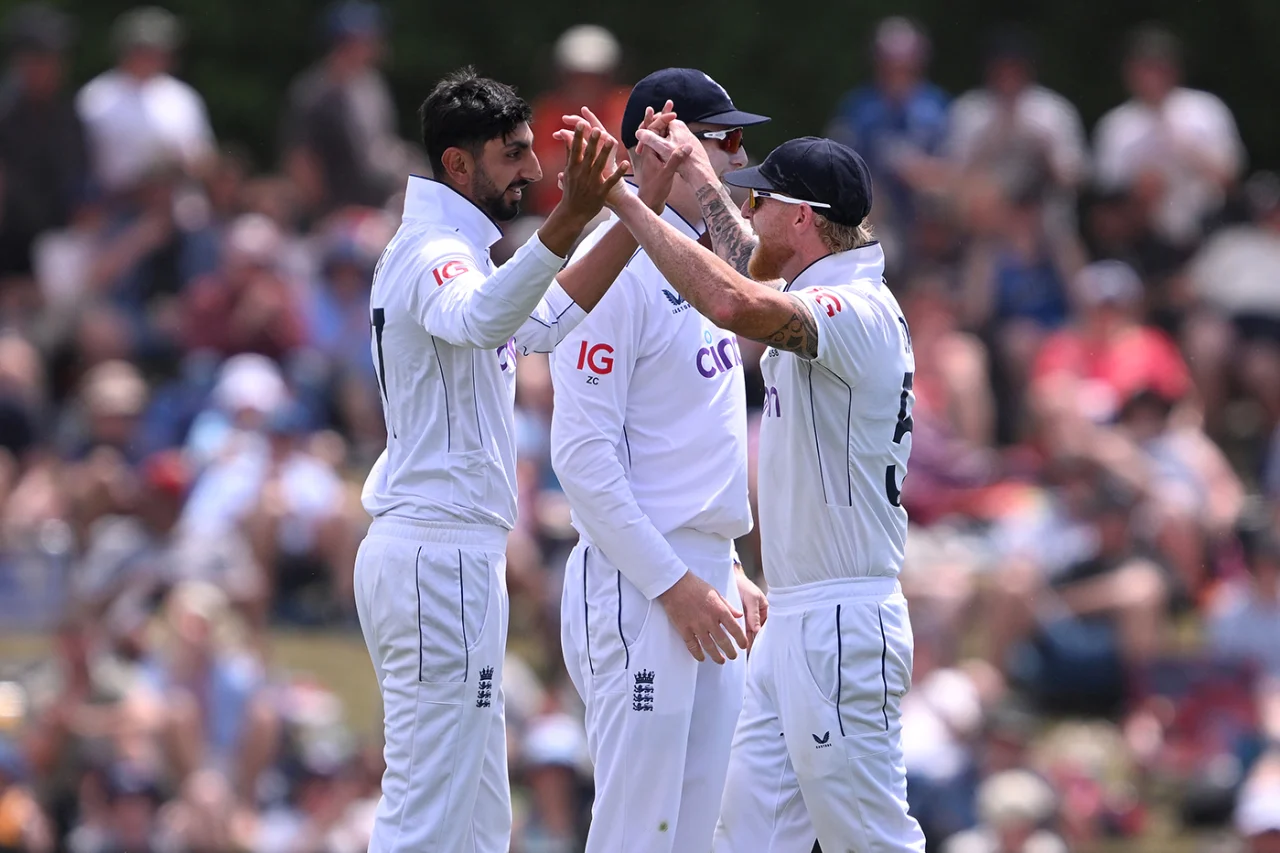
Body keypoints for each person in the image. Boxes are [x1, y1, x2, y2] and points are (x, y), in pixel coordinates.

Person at [353, 67, 683, 853]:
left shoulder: (459, 250)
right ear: (458, 166)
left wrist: (641, 207)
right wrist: (570, 216)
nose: (534, 172)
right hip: (438, 553)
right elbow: (479, 318)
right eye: (513, 156)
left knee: (476, 818)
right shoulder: (433, 251)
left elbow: (539, 319)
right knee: (429, 810)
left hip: (452, 554)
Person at [610, 128, 927, 851]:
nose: (748, 210)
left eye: (762, 200)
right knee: (746, 835)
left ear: (804, 217)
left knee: (871, 838)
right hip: (798, 618)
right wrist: (694, 168)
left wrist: (629, 209)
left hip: (843, 616)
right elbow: (744, 268)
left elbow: (732, 301)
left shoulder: (859, 311)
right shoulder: (819, 288)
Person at [548, 67, 770, 853]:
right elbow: (581, 460)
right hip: (641, 581)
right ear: (663, 145)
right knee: (639, 831)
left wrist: (727, 562)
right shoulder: (615, 274)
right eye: (720, 139)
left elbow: (691, 439)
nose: (735, 159)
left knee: (695, 830)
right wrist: (675, 584)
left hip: (704, 575)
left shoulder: (697, 263)